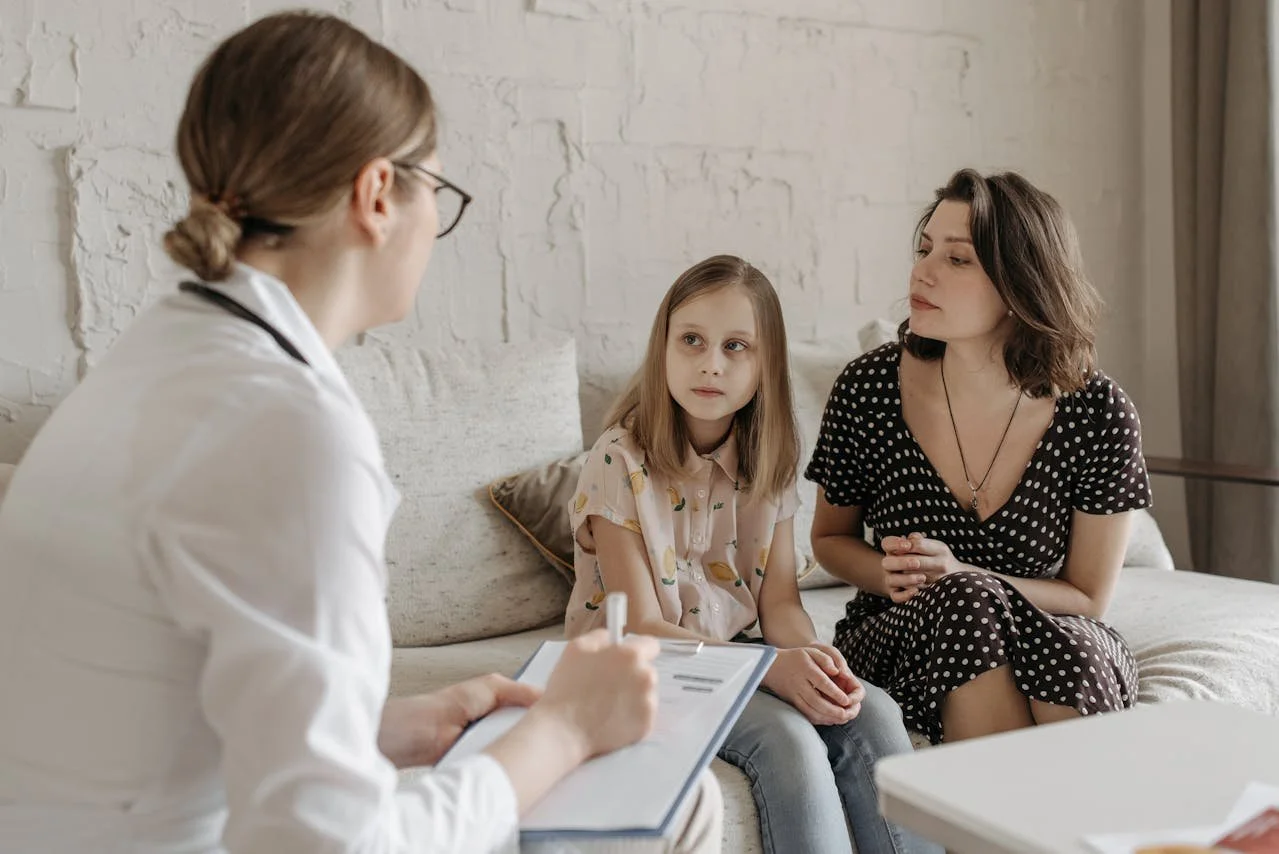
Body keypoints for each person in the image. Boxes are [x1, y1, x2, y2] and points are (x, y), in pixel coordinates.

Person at [0, 12, 721, 853]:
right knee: (678, 798)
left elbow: (156, 723)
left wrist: (386, 728)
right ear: (378, 194)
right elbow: (331, 846)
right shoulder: (287, 428)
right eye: (438, 196)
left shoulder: (154, 364)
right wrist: (562, 730)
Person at [565, 255, 940, 854]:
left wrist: (815, 661)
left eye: (737, 346)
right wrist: (772, 669)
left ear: (766, 365)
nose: (711, 363)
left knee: (873, 713)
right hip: (639, 671)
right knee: (787, 739)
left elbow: (780, 604)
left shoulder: (770, 459)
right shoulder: (618, 459)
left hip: (735, 661)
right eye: (691, 340)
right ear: (662, 347)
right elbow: (639, 628)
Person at [807, 168, 1152, 746]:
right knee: (965, 603)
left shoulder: (1097, 412)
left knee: (1076, 651)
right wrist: (894, 575)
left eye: (957, 259)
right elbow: (829, 540)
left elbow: (1088, 597)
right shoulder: (869, 387)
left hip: (1048, 632)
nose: (923, 270)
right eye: (924, 249)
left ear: (1022, 285)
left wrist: (966, 572)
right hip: (902, 633)